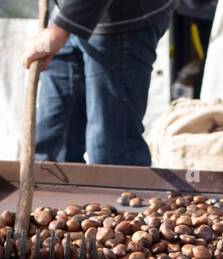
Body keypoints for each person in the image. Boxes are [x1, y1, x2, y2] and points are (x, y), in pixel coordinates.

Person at [23, 1, 174, 167]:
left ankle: (123, 191)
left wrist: (58, 30)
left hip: (121, 19)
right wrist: (62, 24)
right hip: (68, 11)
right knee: (53, 144)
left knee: (110, 150)